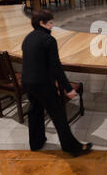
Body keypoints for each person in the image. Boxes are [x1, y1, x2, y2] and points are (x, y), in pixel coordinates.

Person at [21, 10, 92, 157]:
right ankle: (71, 147)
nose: (52, 26)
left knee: (35, 111)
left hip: (27, 81)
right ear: (42, 23)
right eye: (50, 23)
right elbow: (56, 67)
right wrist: (68, 88)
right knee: (58, 115)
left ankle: (36, 142)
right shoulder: (48, 40)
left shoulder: (28, 37)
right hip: (42, 84)